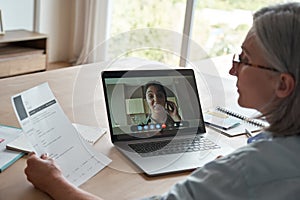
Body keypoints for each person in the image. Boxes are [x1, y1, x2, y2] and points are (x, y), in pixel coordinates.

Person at [24, 2, 300, 199]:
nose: (232, 69)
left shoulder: (243, 170)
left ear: (283, 84)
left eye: (244, 60)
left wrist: (55, 182)